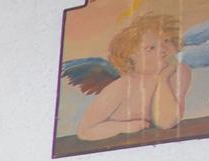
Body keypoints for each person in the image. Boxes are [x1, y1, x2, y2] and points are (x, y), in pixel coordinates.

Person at [77, 13, 189, 141]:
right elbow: (85, 131)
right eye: (151, 48)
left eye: (166, 41)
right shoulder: (121, 87)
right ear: (130, 57)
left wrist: (163, 80)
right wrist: (123, 127)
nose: (164, 49)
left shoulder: (179, 72)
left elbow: (166, 122)